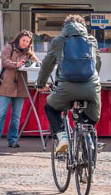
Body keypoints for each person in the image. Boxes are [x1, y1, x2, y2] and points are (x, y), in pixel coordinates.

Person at [35, 14, 101, 154]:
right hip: (90, 88)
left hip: (66, 88)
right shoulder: (91, 40)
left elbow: (47, 64)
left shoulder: (59, 41)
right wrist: (93, 83)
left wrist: (41, 84)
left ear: (65, 27)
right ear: (84, 26)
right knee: (89, 118)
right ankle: (88, 141)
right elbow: (97, 63)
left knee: (50, 107)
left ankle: (62, 135)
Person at [0, 30, 37, 149]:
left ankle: (12, 140)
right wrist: (16, 64)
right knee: (0, 115)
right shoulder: (9, 47)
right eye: (23, 40)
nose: (25, 43)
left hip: (20, 86)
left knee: (16, 116)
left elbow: (36, 61)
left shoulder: (29, 51)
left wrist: (32, 63)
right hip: (7, 85)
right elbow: (5, 62)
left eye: (27, 41)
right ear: (18, 39)